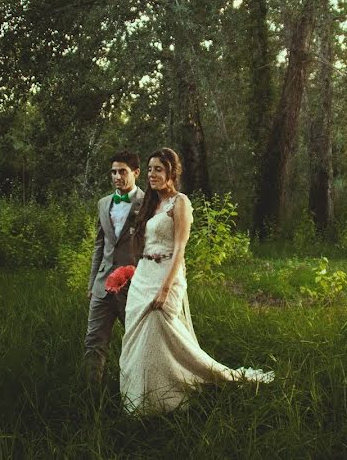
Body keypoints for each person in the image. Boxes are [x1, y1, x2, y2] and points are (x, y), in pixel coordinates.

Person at [119, 147, 274, 414]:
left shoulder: (180, 202)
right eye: (150, 169)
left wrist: (165, 289)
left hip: (167, 275)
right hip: (144, 276)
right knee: (141, 339)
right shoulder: (149, 204)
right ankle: (141, 402)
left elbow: (180, 248)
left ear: (171, 172)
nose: (153, 174)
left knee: (161, 329)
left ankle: (178, 394)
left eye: (159, 169)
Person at [85, 151, 144, 386]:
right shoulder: (103, 203)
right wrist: (91, 284)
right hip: (102, 288)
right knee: (93, 341)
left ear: (136, 173)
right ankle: (90, 396)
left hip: (134, 287)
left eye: (122, 171)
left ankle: (136, 394)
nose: (117, 176)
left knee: (136, 343)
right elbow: (99, 246)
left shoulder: (149, 202)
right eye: (113, 172)